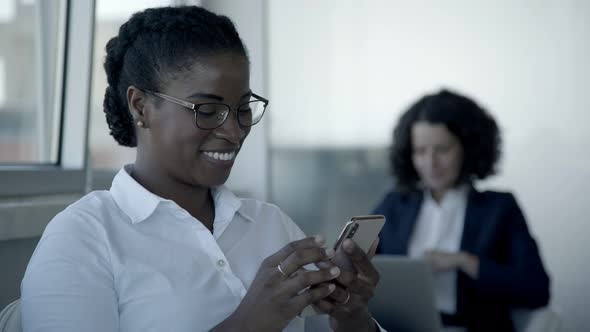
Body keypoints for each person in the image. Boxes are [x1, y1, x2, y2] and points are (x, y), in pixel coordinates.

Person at [21, 6, 383, 332]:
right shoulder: (85, 238)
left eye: (243, 108)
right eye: (207, 110)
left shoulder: (272, 225)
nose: (234, 130)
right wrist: (246, 324)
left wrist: (351, 316)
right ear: (140, 106)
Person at [373, 89, 550, 332]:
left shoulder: (499, 209)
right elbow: (365, 269)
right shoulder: (394, 205)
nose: (430, 163)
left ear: (468, 148)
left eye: (443, 149)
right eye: (420, 151)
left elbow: (537, 289)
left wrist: (465, 262)